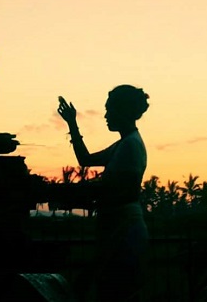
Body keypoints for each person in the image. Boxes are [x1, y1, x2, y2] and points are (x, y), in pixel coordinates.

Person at [57, 85, 150, 302]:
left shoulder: (130, 146)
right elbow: (86, 160)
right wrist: (72, 123)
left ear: (122, 111)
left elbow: (115, 190)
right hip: (120, 228)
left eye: (109, 110)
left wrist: (68, 193)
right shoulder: (126, 144)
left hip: (124, 230)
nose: (106, 115)